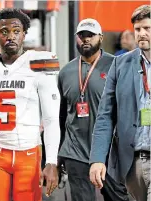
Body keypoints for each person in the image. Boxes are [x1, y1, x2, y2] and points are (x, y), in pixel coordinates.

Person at [0, 8, 60, 201]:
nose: (11, 37)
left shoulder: (38, 64)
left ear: (24, 34)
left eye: (16, 31)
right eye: (4, 32)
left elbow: (50, 118)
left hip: (29, 154)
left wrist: (51, 162)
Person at [58, 18, 130, 201]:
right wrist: (58, 153)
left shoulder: (117, 66)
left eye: (90, 35)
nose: (86, 39)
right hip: (76, 151)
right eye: (82, 36)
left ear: (101, 37)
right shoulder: (66, 72)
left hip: (110, 153)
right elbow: (61, 115)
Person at [89, 5, 151, 201]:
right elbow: (105, 115)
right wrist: (98, 158)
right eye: (138, 29)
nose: (141, 33)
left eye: (147, 28)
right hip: (132, 163)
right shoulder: (120, 64)